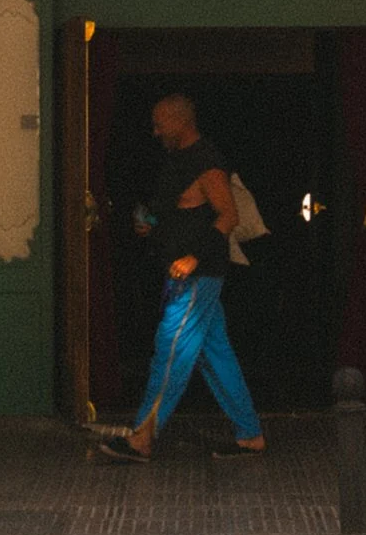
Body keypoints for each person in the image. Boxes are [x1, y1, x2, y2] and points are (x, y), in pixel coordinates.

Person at [94, 88, 264, 460]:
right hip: (183, 272)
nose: (154, 131)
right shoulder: (177, 161)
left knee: (169, 351)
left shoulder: (207, 162)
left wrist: (192, 257)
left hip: (197, 276)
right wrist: (151, 227)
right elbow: (179, 214)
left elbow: (228, 217)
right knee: (214, 352)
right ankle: (250, 434)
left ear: (179, 120)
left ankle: (142, 438)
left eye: (159, 124)